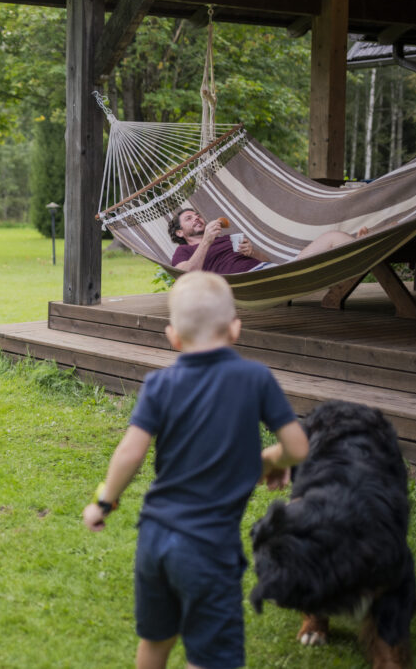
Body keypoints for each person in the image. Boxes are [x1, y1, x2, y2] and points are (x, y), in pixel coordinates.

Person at [82, 271, 309, 669]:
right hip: (208, 551)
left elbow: (131, 453)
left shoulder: (159, 384)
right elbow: (298, 447)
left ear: (173, 337)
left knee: (156, 640)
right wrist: (273, 461)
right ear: (235, 328)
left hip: (154, 542)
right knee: (212, 658)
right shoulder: (255, 378)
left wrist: (104, 501)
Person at [169, 207, 368, 274]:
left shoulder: (227, 238)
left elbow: (267, 260)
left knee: (332, 236)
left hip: (271, 272)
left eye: (197, 215)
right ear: (179, 233)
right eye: (189, 218)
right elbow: (186, 275)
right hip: (247, 283)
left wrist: (252, 252)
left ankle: (363, 246)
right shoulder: (183, 252)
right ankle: (362, 248)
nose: (196, 218)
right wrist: (206, 242)